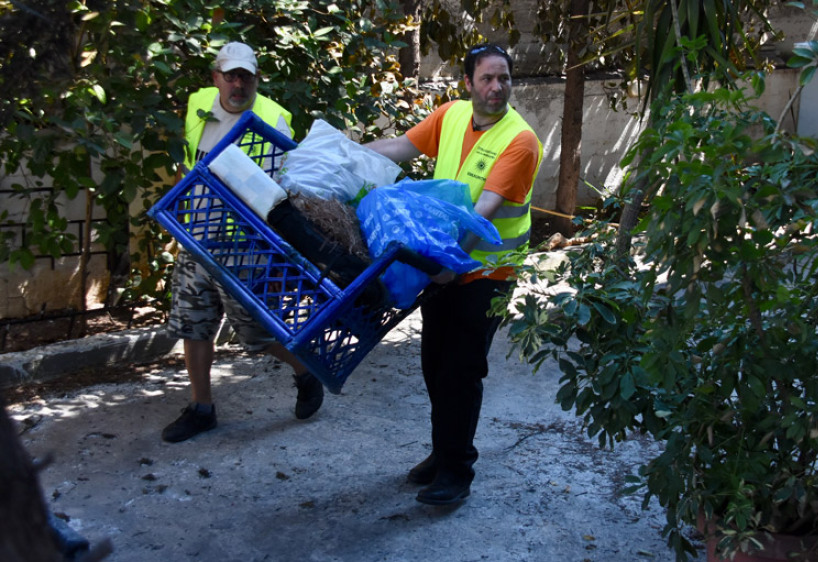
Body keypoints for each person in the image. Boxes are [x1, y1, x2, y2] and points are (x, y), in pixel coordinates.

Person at [365, 43, 543, 505]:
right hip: (441, 266)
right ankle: (443, 452)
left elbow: (483, 214)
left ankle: (456, 472)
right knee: (434, 366)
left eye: (504, 78)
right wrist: (347, 153)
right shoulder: (451, 116)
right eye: (487, 78)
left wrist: (445, 266)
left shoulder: (520, 140)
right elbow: (401, 146)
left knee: (460, 371)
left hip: (487, 273)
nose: (497, 87)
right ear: (468, 83)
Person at [162, 41, 324, 443]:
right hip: (197, 237)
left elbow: (278, 192)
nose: (238, 85)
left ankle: (306, 371)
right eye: (231, 76)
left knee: (256, 334)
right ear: (216, 77)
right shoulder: (199, 105)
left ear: (257, 79)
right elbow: (188, 161)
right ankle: (201, 408)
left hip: (245, 245)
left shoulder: (272, 120)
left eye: (246, 77)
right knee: (194, 323)